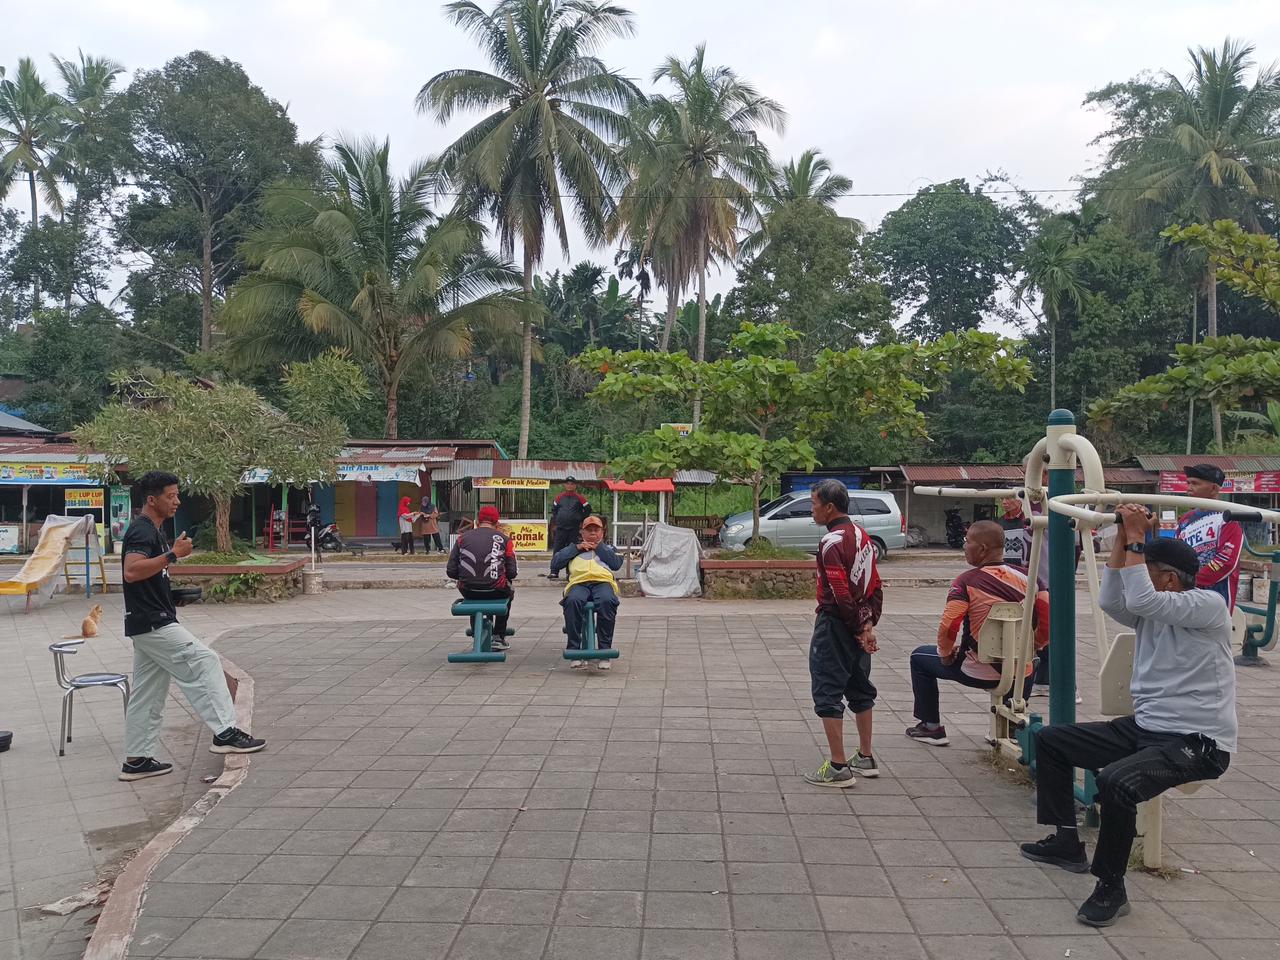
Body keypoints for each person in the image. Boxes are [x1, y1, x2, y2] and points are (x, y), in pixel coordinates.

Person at [1020, 504, 1235, 928]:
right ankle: (1066, 841)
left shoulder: (1206, 606)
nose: (1141, 573)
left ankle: (1110, 887)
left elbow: (1138, 595)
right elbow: (1111, 598)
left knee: (1116, 781)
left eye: (1147, 567)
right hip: (1147, 730)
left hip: (1199, 743)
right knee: (1052, 741)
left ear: (1170, 578)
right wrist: (1122, 538)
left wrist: (1138, 536)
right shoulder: (1152, 608)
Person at [119, 471, 265, 782]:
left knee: (148, 694)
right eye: (170, 496)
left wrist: (170, 595)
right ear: (151, 499)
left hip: (148, 621)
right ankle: (224, 733)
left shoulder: (155, 530)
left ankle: (136, 760)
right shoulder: (142, 531)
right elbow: (131, 572)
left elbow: (144, 578)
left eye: (177, 494)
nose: (177, 501)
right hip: (154, 624)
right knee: (205, 661)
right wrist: (172, 554)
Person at [905, 520, 1049, 746]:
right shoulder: (1032, 580)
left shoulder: (965, 582)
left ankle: (931, 727)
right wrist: (1033, 647)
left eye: (967, 542)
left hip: (977, 670)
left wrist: (944, 653)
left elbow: (949, 624)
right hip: (1021, 673)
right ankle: (1011, 728)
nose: (964, 547)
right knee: (1033, 660)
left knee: (918, 658)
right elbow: (1047, 619)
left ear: (982, 548)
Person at [803, 479, 883, 786]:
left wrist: (856, 626)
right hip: (858, 623)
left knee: (827, 689)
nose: (812, 511)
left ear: (829, 507)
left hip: (835, 624)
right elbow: (874, 584)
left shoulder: (831, 542)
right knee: (860, 687)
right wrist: (868, 625)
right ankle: (865, 755)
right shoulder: (862, 536)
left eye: (814, 505)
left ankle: (838, 766)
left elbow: (839, 591)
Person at [551, 515, 622, 671]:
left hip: (602, 583)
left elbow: (616, 564)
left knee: (607, 601)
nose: (592, 534)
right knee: (572, 601)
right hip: (579, 583)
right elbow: (555, 562)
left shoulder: (609, 548)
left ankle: (604, 651)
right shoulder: (573, 549)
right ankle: (575, 650)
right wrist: (576, 548)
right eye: (588, 530)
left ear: (602, 533)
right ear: (581, 533)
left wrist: (599, 547)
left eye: (596, 530)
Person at [446, 505, 518, 651]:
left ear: (477, 522)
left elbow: (451, 571)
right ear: (497, 523)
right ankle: (498, 636)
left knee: (474, 596)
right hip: (496, 589)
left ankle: (477, 633)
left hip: (468, 590)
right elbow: (512, 572)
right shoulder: (504, 540)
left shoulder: (462, 539)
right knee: (509, 591)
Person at [1176, 463, 1244, 611]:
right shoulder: (1184, 521)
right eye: (1188, 483)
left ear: (1214, 488)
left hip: (1216, 598)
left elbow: (1226, 561)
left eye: (1195, 483)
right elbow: (1177, 555)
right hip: (1185, 596)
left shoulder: (1227, 517)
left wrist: (1191, 582)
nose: (1189, 488)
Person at [548, 478, 591, 580]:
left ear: (575, 486)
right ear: (565, 485)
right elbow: (554, 510)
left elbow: (588, 509)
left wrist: (580, 519)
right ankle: (554, 572)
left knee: (572, 550)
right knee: (557, 550)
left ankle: (570, 572)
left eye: (572, 484)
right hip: (561, 529)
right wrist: (558, 519)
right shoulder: (559, 498)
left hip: (573, 529)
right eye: (568, 484)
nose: (570, 486)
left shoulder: (580, 498)